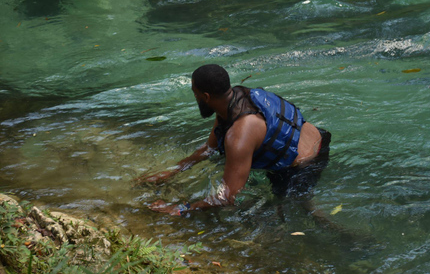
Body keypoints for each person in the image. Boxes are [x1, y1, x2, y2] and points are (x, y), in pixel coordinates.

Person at [136, 64, 331, 215]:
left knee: (301, 212)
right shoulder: (235, 99)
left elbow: (226, 198)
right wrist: (171, 173)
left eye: (195, 94)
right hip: (316, 137)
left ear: (205, 96)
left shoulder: (238, 136)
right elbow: (209, 149)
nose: (195, 98)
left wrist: (179, 208)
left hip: (304, 164)